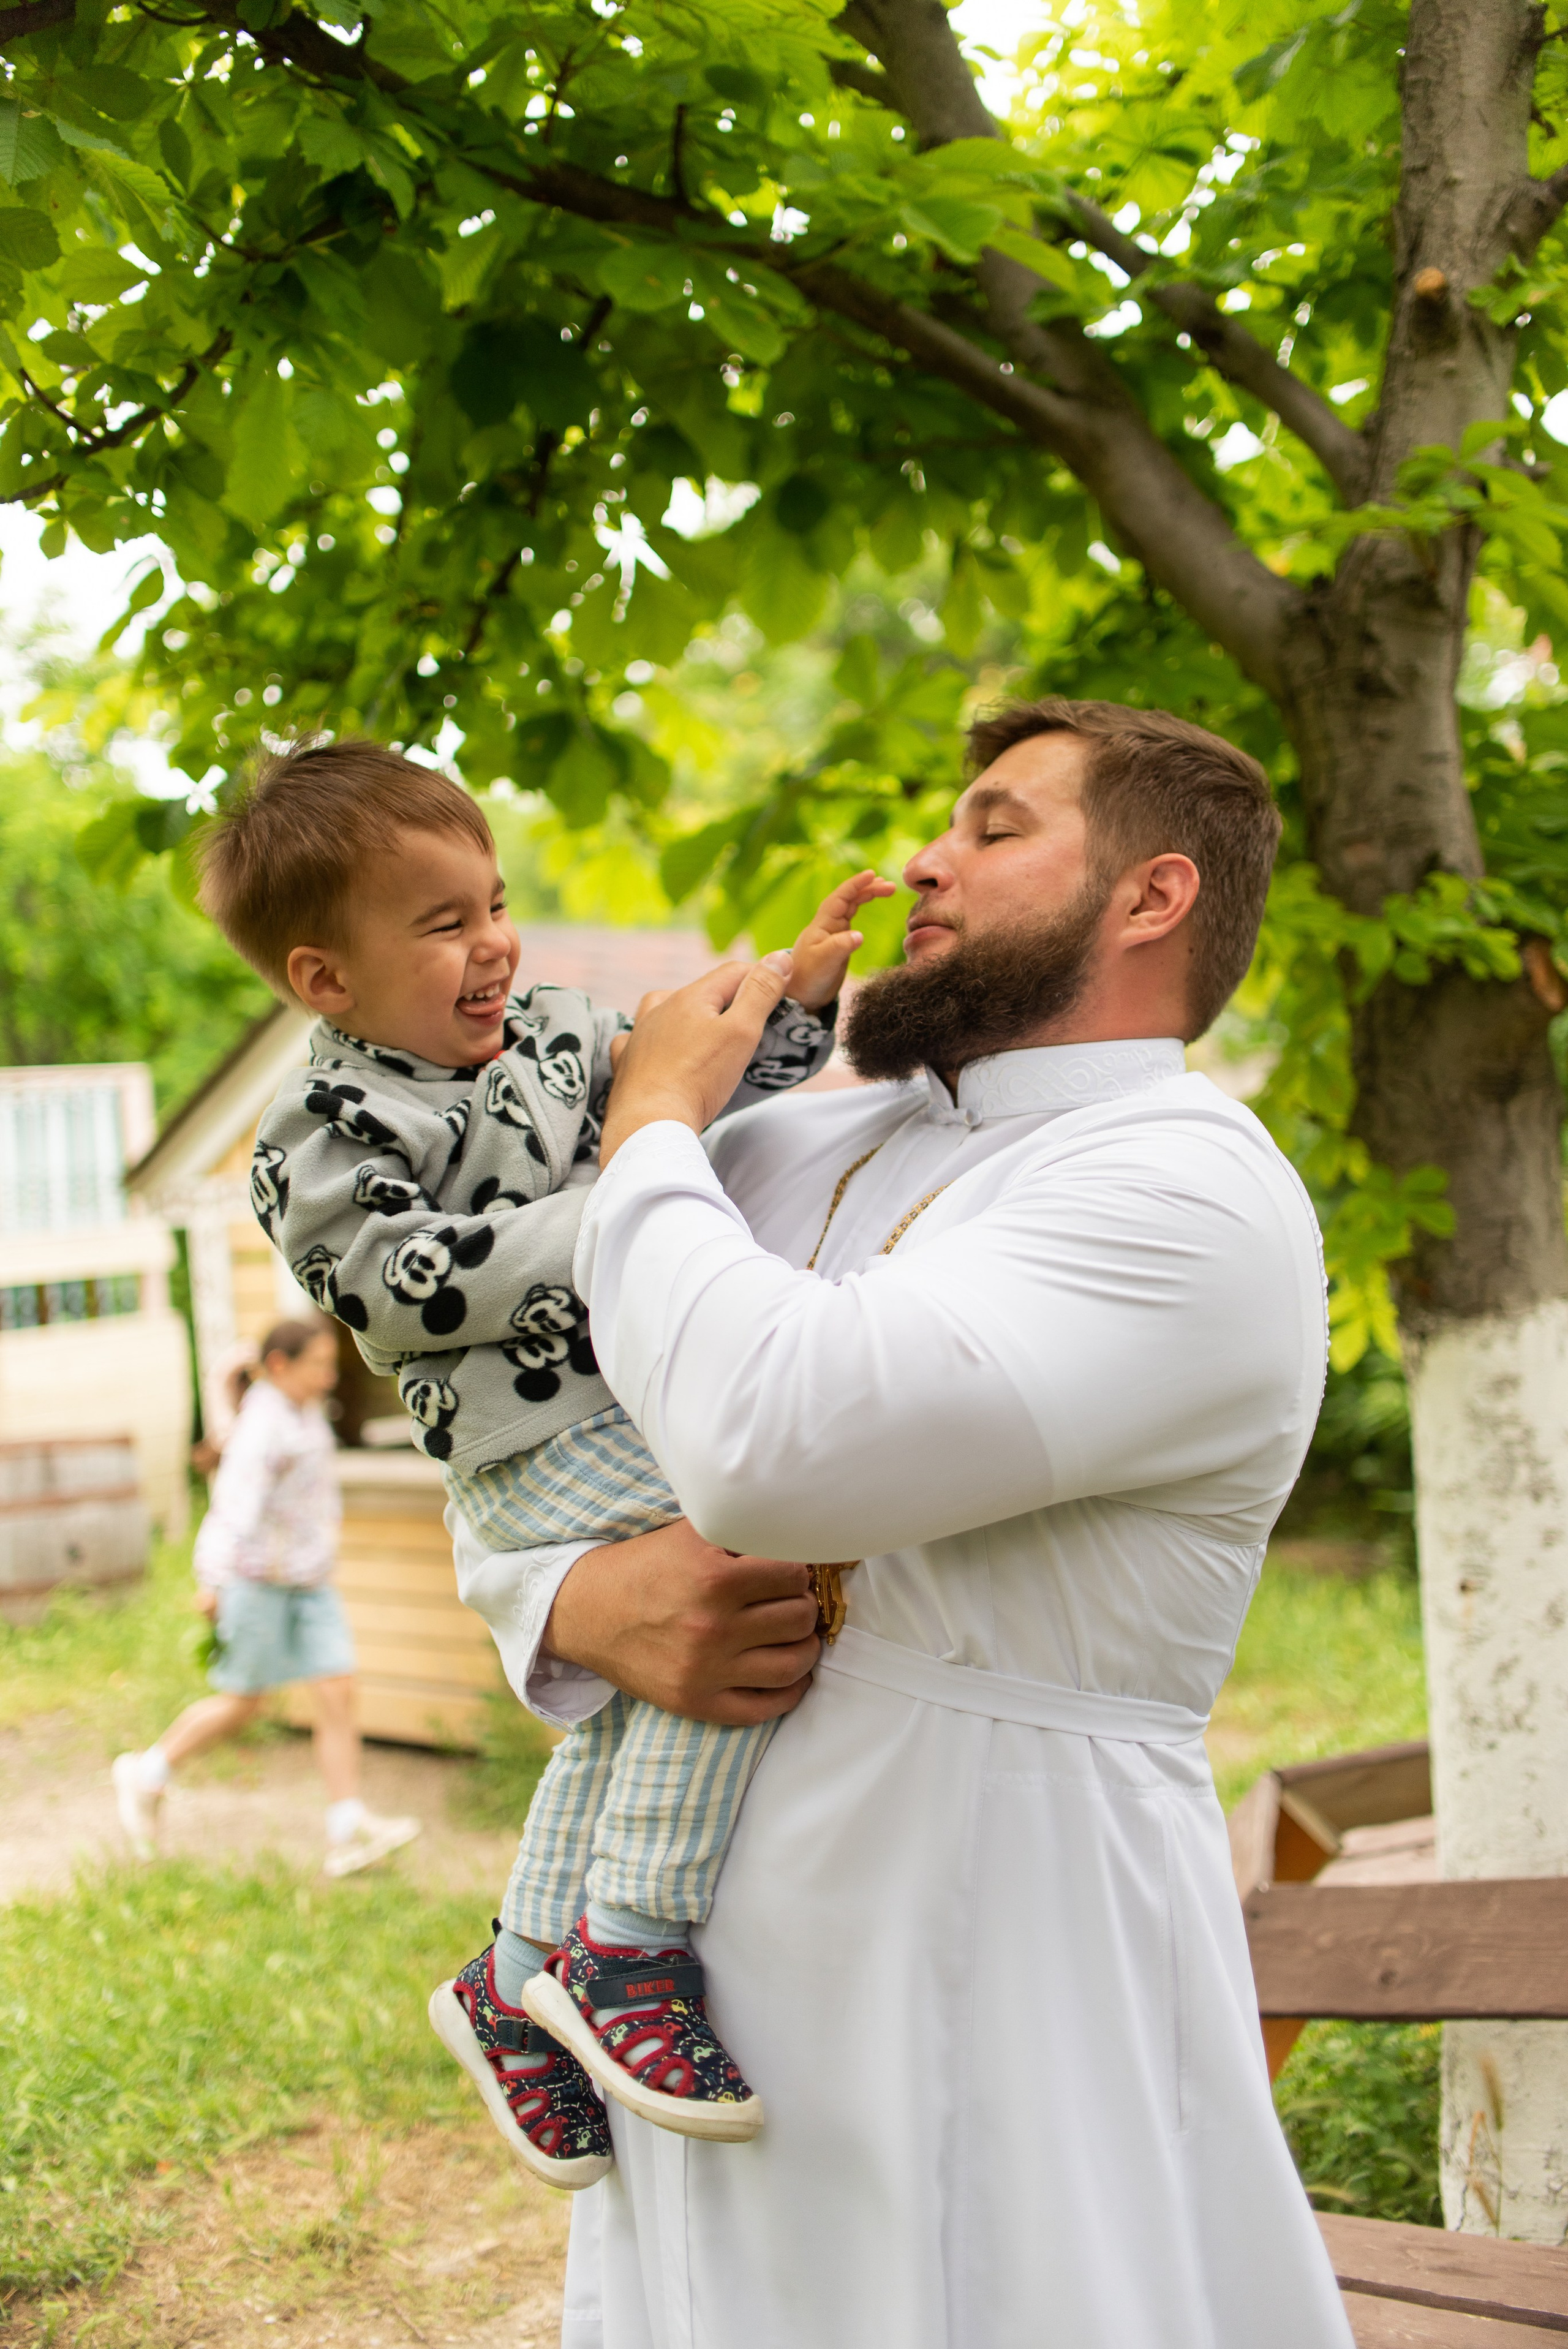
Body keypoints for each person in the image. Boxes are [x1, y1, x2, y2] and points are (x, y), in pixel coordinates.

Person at [471, 699, 1355, 2348]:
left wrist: (651, 1124)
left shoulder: (1188, 1186)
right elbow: (533, 1427)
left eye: (997, 827)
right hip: (681, 1962)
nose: (924, 862)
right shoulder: (821, 1128)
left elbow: (770, 1443)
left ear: (1151, 898)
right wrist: (569, 1607)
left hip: (997, 1918)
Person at [196, 738, 886, 2185]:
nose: (493, 941)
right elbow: (403, 1283)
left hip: (625, 1407)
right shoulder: (318, 1127)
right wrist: (626, 1194)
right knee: (745, 1561)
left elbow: (699, 1090)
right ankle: (626, 1945)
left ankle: (516, 1972)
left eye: (493, 901)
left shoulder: (557, 1030)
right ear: (326, 977)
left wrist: (796, 1000)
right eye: (442, 922)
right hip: (526, 1443)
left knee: (647, 1684)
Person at [113, 1316, 421, 1879]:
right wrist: (213, 1582)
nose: (330, 1376)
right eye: (319, 1364)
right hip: (257, 1580)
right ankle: (147, 1771)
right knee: (244, 1700)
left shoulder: (303, 1412)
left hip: (310, 1582)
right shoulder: (262, 1426)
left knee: (337, 1690)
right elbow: (233, 1508)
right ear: (281, 1365)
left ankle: (346, 1828)